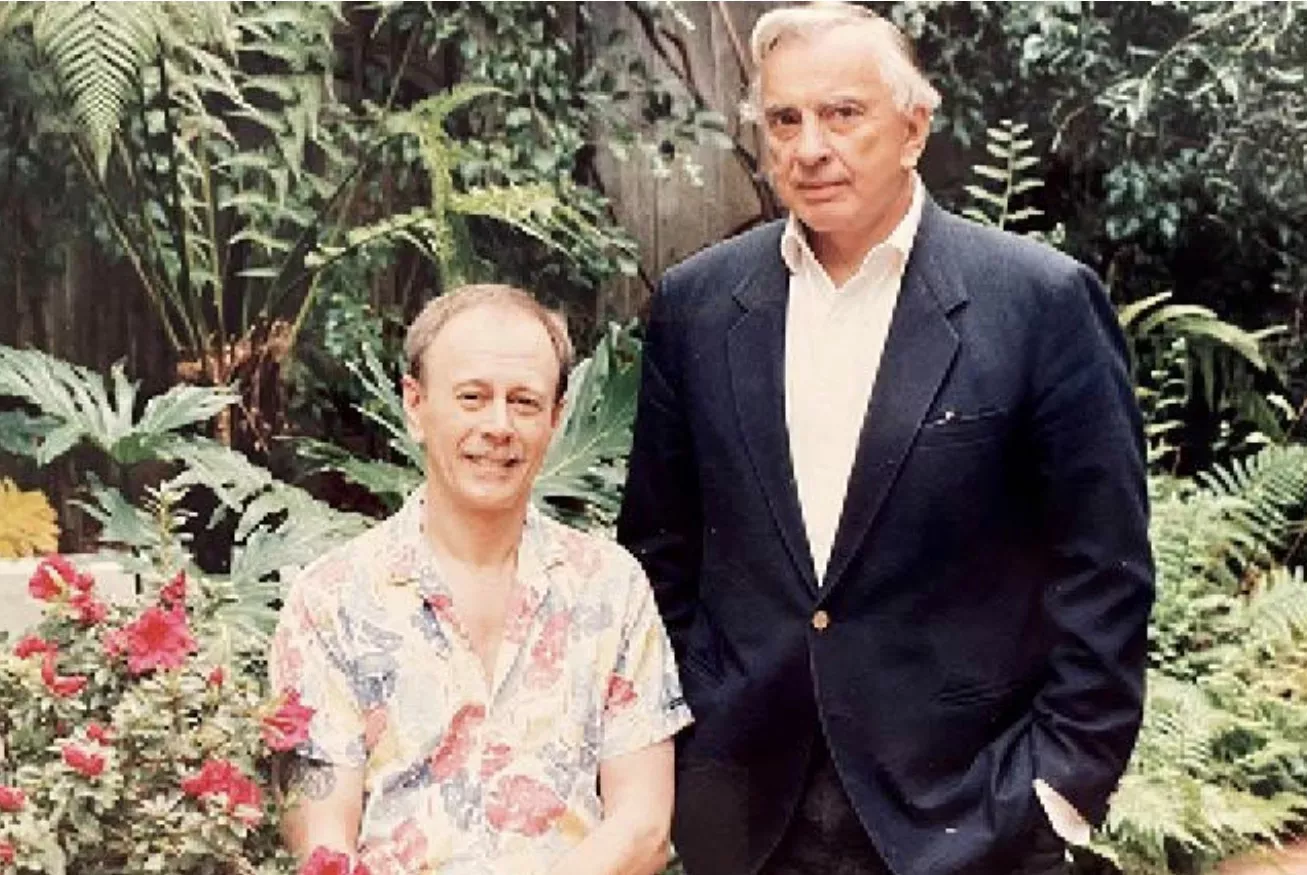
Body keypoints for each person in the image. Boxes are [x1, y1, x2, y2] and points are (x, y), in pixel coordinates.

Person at [617, 4, 1155, 875]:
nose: (810, 147)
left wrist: (1057, 791)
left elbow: (1105, 569)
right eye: (784, 119)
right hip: (750, 822)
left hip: (969, 819)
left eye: (843, 114)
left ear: (914, 128)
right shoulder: (698, 305)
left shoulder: (1039, 303)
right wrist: (687, 760)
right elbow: (658, 557)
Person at [270, 285, 691, 875]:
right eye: (472, 397)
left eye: (524, 402)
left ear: (556, 418)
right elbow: (322, 844)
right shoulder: (330, 600)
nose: (498, 426)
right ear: (415, 404)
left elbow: (643, 826)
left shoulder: (610, 588)